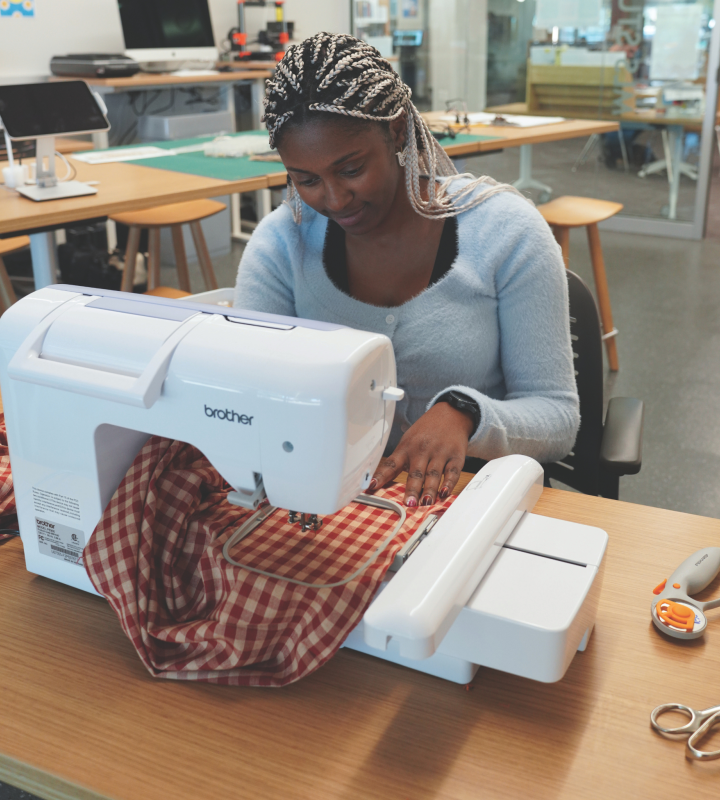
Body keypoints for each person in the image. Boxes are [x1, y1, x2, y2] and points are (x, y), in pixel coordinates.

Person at [234, 32, 579, 507]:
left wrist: (464, 414)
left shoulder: (507, 233)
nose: (333, 199)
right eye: (307, 180)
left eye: (351, 169)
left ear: (396, 130)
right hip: (337, 501)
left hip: (477, 499)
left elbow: (558, 418)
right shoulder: (280, 245)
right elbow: (246, 393)